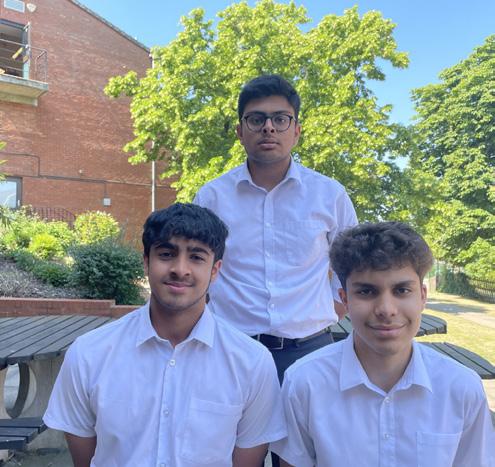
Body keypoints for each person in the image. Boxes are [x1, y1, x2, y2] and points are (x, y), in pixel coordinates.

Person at [43, 203, 286, 467]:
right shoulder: (89, 354)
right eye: (167, 254)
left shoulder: (251, 363)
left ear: (215, 270)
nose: (180, 269)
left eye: (196, 257)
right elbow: (85, 459)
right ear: (146, 262)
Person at [272, 222, 495, 467]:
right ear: (345, 300)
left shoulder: (461, 388)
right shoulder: (304, 383)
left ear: (422, 296)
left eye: (402, 290)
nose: (386, 310)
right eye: (367, 292)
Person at [194, 74, 358, 382]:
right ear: (240, 132)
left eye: (281, 119)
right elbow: (196, 264)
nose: (268, 127)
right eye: (256, 119)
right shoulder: (212, 197)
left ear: (296, 131)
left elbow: (354, 263)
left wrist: (336, 305)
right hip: (231, 350)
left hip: (311, 351)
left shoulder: (329, 195)